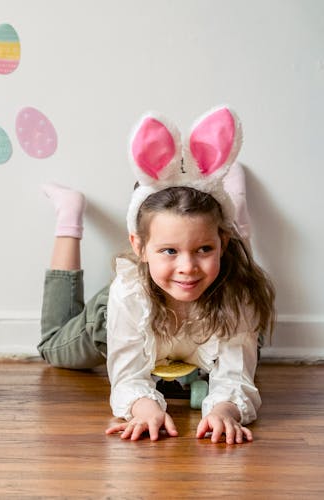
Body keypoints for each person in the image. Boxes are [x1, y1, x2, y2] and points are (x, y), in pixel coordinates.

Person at [37, 106, 275, 444]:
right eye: (169, 251)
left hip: (203, 321)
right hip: (121, 322)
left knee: (254, 340)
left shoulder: (236, 292)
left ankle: (233, 205)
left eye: (204, 249)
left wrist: (224, 410)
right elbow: (128, 373)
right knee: (52, 348)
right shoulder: (128, 294)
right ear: (139, 246)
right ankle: (69, 215)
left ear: (222, 242)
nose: (187, 267)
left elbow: (235, 375)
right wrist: (143, 407)